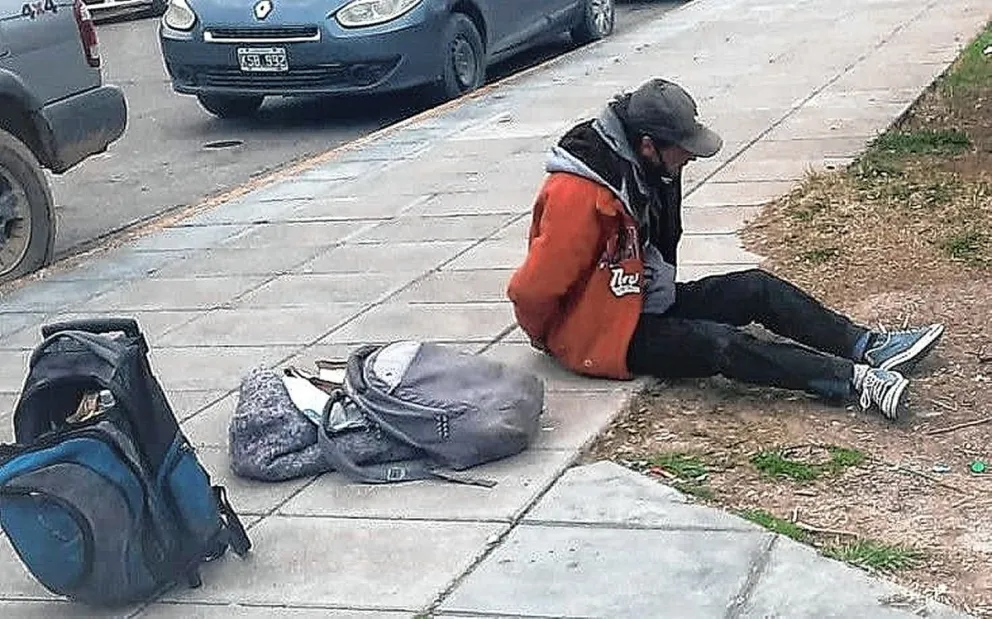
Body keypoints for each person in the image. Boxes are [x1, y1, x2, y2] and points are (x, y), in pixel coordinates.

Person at [506, 77, 944, 420]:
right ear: (647, 145)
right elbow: (531, 291)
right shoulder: (578, 193)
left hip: (642, 300)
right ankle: (856, 382)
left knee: (754, 287)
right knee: (718, 345)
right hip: (602, 332)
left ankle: (867, 345)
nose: (691, 159)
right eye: (684, 151)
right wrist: (554, 338)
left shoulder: (653, 170)